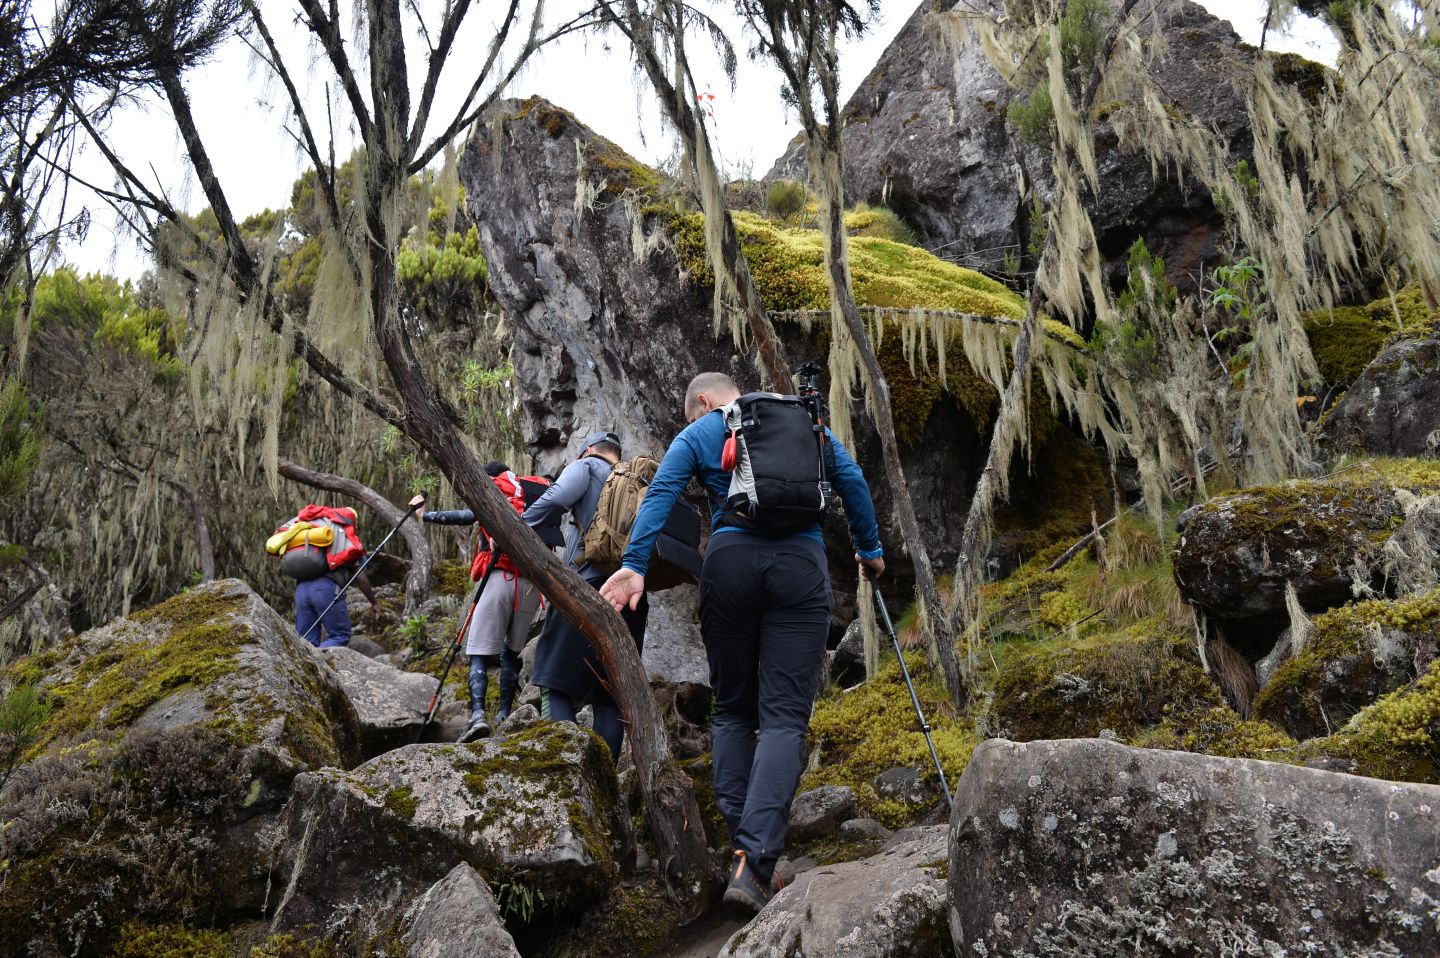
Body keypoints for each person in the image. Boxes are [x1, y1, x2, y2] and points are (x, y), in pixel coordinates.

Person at [600, 372, 884, 913]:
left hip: (728, 566)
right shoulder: (808, 423)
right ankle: (756, 864)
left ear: (704, 401)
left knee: (731, 710)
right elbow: (853, 482)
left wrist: (634, 565)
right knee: (783, 719)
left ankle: (745, 855)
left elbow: (661, 491)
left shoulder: (703, 431)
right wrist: (870, 552)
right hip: (800, 566)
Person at [522, 430, 648, 760]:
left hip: (585, 588)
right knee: (609, 695)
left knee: (553, 680)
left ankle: (564, 773)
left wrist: (516, 526)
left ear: (589, 450)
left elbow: (556, 499)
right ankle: (603, 784)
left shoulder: (587, 465)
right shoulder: (637, 483)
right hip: (631, 597)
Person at [418, 461, 545, 742]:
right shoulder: (534, 491)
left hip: (498, 576)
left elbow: (465, 515)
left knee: (477, 652)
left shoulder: (491, 492)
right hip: (531, 585)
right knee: (511, 653)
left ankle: (477, 717)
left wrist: (426, 515)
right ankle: (504, 716)